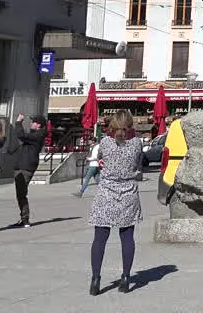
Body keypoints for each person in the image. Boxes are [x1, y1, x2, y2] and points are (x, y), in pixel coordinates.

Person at [88, 110, 144, 296]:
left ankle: (96, 280)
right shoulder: (136, 144)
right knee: (127, 237)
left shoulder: (105, 142)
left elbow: (99, 160)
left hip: (106, 193)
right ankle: (126, 278)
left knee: (99, 239)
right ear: (130, 125)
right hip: (128, 193)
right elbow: (138, 166)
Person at [9, 113, 46, 227]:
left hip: (26, 167)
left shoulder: (38, 135)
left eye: (33, 122)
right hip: (22, 166)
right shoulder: (34, 134)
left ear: (39, 125)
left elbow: (20, 134)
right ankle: (24, 218)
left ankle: (25, 219)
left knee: (21, 193)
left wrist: (18, 122)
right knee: (20, 193)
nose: (31, 123)